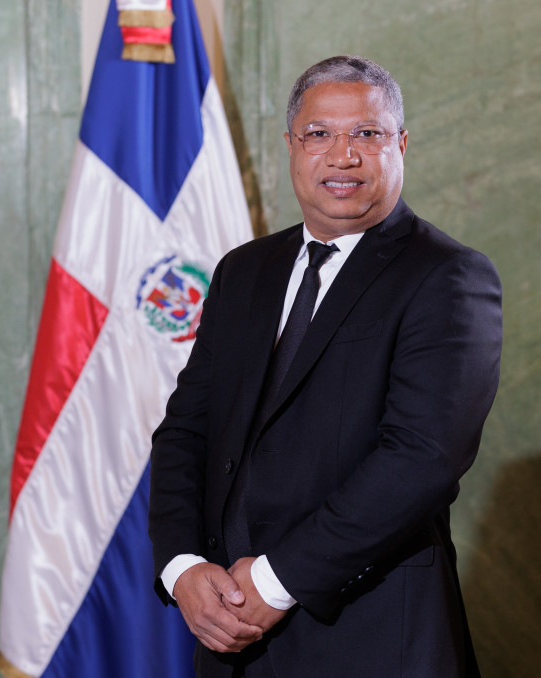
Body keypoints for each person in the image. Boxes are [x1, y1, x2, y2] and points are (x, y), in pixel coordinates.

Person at [148, 55, 502, 678]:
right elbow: (186, 431)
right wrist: (182, 568)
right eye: (319, 134)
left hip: (372, 638)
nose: (343, 156)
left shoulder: (448, 277)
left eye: (367, 133)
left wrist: (275, 582)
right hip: (229, 637)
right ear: (291, 145)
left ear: (400, 144)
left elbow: (420, 459)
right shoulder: (243, 271)